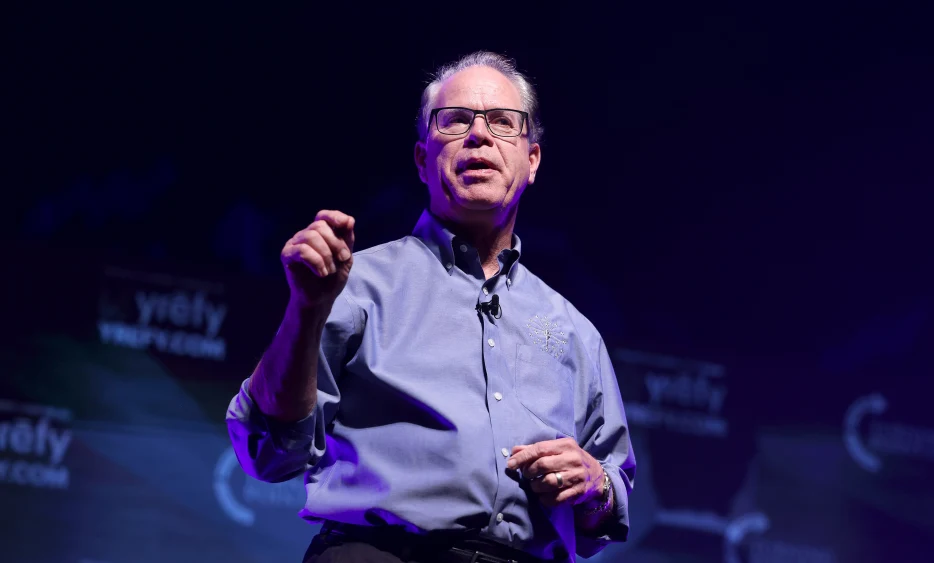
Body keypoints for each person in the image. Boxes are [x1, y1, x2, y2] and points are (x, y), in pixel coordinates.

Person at [226, 50, 636, 563]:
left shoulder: (575, 332)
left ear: (531, 160)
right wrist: (306, 310)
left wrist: (595, 485)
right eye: (456, 120)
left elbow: (607, 509)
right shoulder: (355, 285)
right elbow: (267, 451)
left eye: (503, 123)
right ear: (423, 159)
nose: (480, 136)